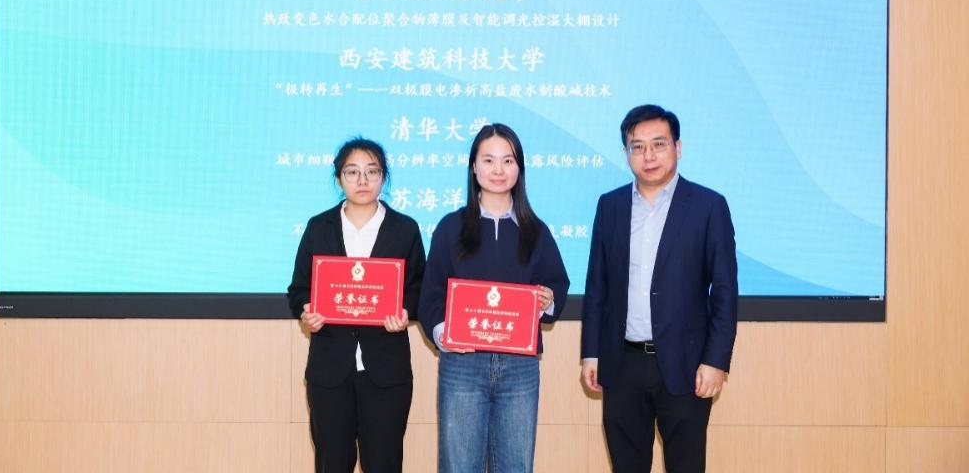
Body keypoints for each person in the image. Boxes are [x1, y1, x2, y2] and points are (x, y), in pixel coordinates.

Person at [580, 104, 738, 473]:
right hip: (622, 363)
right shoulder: (610, 206)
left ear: (677, 148)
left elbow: (725, 291)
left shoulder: (708, 206)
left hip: (686, 365)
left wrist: (716, 361)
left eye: (659, 144)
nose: (648, 156)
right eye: (637, 147)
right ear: (626, 153)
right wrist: (591, 353)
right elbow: (597, 285)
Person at [418, 123, 570, 473]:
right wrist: (444, 335)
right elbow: (431, 294)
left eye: (508, 160)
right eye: (488, 160)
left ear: (520, 168)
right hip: (463, 364)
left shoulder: (536, 231)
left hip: (520, 367)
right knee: (459, 466)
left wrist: (546, 301)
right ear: (474, 167)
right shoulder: (451, 227)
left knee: (516, 465)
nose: (498, 170)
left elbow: (556, 286)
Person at [287, 137, 426, 473]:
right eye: (352, 172)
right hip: (330, 370)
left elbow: (419, 289)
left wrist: (406, 312)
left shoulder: (404, 229)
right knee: (332, 463)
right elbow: (298, 289)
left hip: (386, 371)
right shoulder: (319, 227)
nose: (362, 180)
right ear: (339, 179)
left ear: (383, 177)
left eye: (372, 171)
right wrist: (307, 310)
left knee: (384, 463)